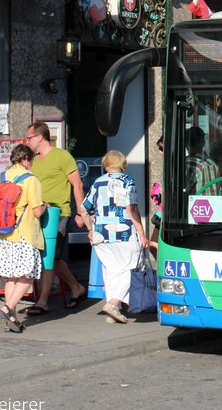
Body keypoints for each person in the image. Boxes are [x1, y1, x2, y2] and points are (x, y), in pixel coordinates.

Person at [24, 121, 88, 316]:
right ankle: (76, 287)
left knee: (50, 256)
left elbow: (77, 185)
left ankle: (42, 301)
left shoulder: (62, 156)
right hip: (38, 212)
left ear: (39, 137)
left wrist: (81, 212)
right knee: (53, 256)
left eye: (29, 137)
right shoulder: (34, 159)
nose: (27, 141)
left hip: (58, 212)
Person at [82, 150, 149, 324]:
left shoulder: (98, 182)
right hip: (123, 231)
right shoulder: (127, 181)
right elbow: (131, 209)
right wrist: (142, 234)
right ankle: (113, 303)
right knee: (132, 267)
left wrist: (90, 230)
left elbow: (84, 209)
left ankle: (113, 311)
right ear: (122, 163)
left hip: (101, 234)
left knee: (111, 271)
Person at [0, 144, 47, 333]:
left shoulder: (2, 177)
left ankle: (12, 318)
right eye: (31, 160)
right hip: (24, 233)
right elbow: (37, 211)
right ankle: (8, 308)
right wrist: (46, 205)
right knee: (28, 274)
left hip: (4, 233)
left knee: (12, 275)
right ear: (25, 160)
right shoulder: (30, 180)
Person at [186, 126, 220, 196]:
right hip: (214, 206)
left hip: (195, 206)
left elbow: (181, 193)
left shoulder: (189, 164)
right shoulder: (213, 164)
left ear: (186, 144)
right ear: (203, 143)